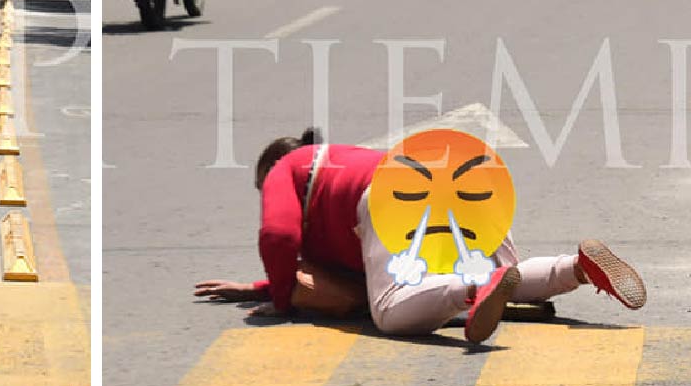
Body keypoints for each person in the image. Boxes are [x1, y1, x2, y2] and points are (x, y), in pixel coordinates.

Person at [194, 128, 648, 344]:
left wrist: (281, 301)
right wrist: (257, 287)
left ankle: (471, 290)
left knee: (389, 313)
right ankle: (577, 268)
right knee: (501, 270)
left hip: (395, 195)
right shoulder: (341, 162)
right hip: (459, 177)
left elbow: (277, 237)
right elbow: (333, 270)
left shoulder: (287, 169)